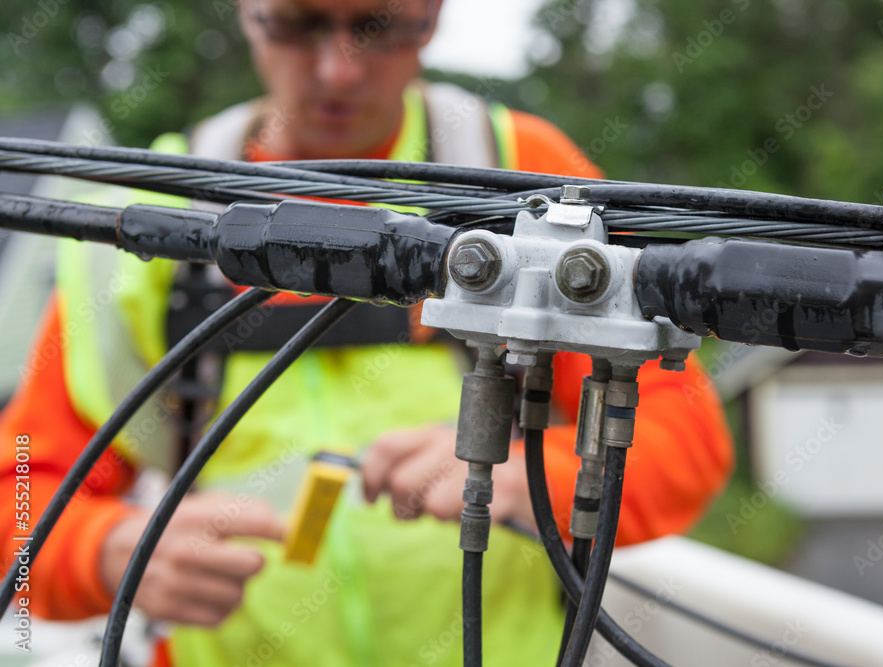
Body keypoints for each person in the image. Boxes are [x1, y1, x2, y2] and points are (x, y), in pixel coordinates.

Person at [0, 0, 734, 665]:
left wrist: (529, 476)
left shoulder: (526, 180)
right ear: (245, 13)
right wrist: (104, 551)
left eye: (376, 25)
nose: (338, 69)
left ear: (433, 15)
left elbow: (689, 439)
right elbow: (19, 494)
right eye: (296, 24)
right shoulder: (154, 212)